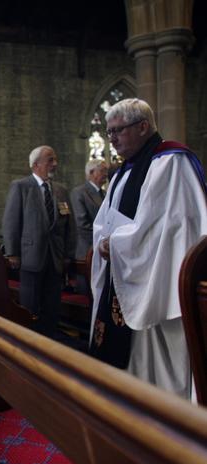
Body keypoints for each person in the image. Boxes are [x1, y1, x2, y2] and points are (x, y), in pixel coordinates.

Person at [90, 98, 207, 400]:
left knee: (159, 363)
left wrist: (113, 243)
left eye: (118, 130)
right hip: (126, 273)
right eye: (109, 132)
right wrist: (106, 240)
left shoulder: (170, 162)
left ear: (143, 127)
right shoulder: (122, 173)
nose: (112, 138)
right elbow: (103, 221)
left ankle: (165, 414)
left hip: (159, 278)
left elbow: (167, 227)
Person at [2, 146, 76, 338]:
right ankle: (29, 345)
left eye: (55, 159)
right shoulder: (21, 186)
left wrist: (68, 254)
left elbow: (70, 225)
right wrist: (12, 252)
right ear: (36, 164)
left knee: (52, 307)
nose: (55, 164)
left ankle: (50, 345)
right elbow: (11, 222)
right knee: (31, 306)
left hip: (55, 258)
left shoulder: (61, 190)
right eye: (50, 160)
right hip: (30, 257)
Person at [70, 159, 107, 260]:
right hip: (88, 249)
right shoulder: (79, 193)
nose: (106, 174)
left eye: (106, 171)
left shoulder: (105, 194)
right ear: (91, 172)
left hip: (103, 248)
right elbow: (82, 224)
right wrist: (102, 240)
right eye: (102, 171)